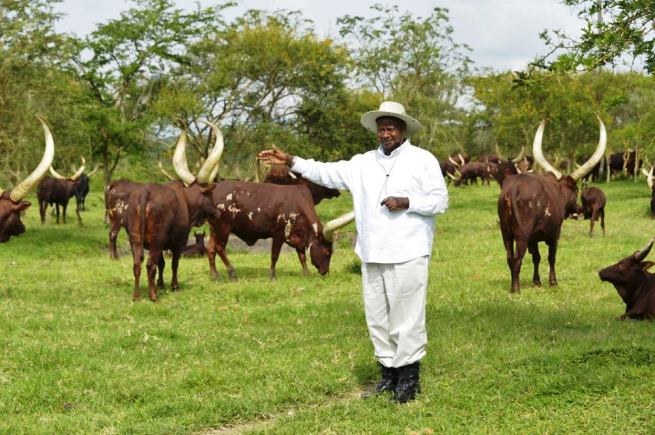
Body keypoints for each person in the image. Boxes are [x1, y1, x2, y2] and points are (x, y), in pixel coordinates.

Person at [258, 101, 448, 403]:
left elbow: (440, 201)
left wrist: (407, 201)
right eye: (381, 129)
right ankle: (388, 376)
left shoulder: (423, 160)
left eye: (391, 128)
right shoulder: (362, 163)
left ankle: (408, 382)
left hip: (409, 250)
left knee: (407, 317)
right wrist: (290, 160)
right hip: (372, 252)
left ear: (403, 130)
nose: (385, 134)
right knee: (377, 317)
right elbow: (325, 172)